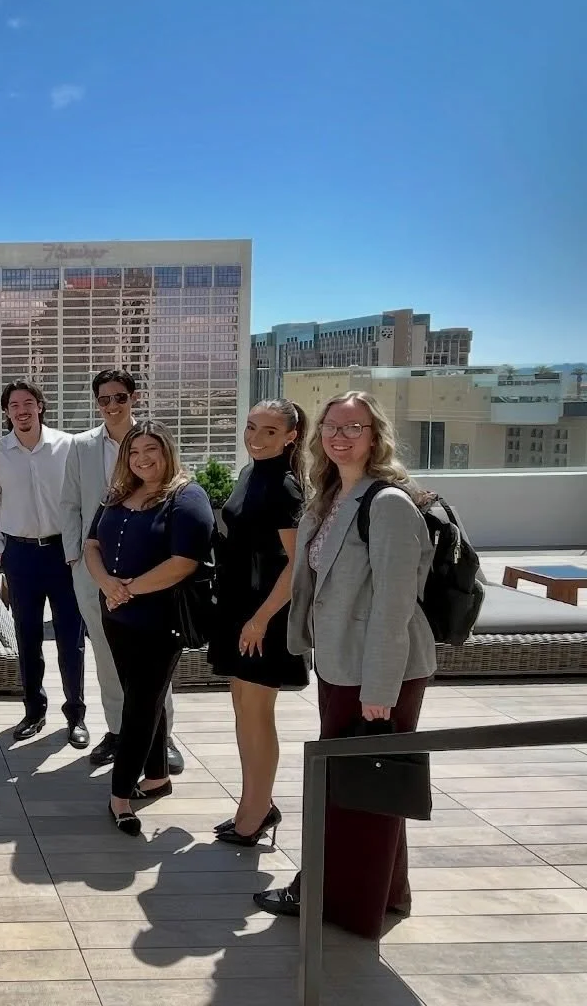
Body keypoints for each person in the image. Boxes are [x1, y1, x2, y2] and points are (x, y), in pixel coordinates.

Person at [253, 391, 436, 939]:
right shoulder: (330, 496)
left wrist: (377, 687)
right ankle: (388, 894)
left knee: (355, 792)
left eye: (353, 428)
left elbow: (394, 605)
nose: (340, 436)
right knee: (371, 788)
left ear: (375, 436)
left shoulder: (388, 505)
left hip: (378, 672)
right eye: (331, 426)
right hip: (340, 664)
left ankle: (346, 907)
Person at [83, 421, 214, 837]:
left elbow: (185, 562)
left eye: (151, 449)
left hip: (160, 621)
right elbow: (91, 546)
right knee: (143, 699)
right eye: (135, 451)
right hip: (117, 617)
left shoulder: (186, 496)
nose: (143, 458)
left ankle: (120, 794)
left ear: (166, 451)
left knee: (139, 707)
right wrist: (106, 583)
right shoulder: (117, 493)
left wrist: (130, 590)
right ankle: (156, 775)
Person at [61, 369, 183, 774]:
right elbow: (70, 505)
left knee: (153, 661)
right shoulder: (80, 446)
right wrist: (76, 558)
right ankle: (117, 731)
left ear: (134, 397)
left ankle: (161, 739)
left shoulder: (151, 439)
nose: (112, 406)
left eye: (119, 397)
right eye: (104, 399)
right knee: (107, 655)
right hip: (94, 571)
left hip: (147, 574)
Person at [208, 401, 311, 846]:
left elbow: (296, 564)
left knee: (257, 714)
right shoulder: (252, 472)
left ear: (291, 436)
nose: (257, 437)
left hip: (263, 614)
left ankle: (257, 811)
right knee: (242, 711)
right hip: (240, 608)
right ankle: (253, 806)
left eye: (270, 431)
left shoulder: (286, 486)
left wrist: (261, 619)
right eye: (252, 427)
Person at [0, 380, 88, 746]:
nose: (21, 411)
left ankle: (75, 714)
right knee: (26, 637)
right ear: (6, 411)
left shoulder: (67, 446)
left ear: (40, 406)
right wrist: (0, 551)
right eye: (13, 405)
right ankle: (34, 710)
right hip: (20, 555)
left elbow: (82, 500)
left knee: (71, 638)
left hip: (64, 554)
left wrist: (78, 548)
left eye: (28, 403)